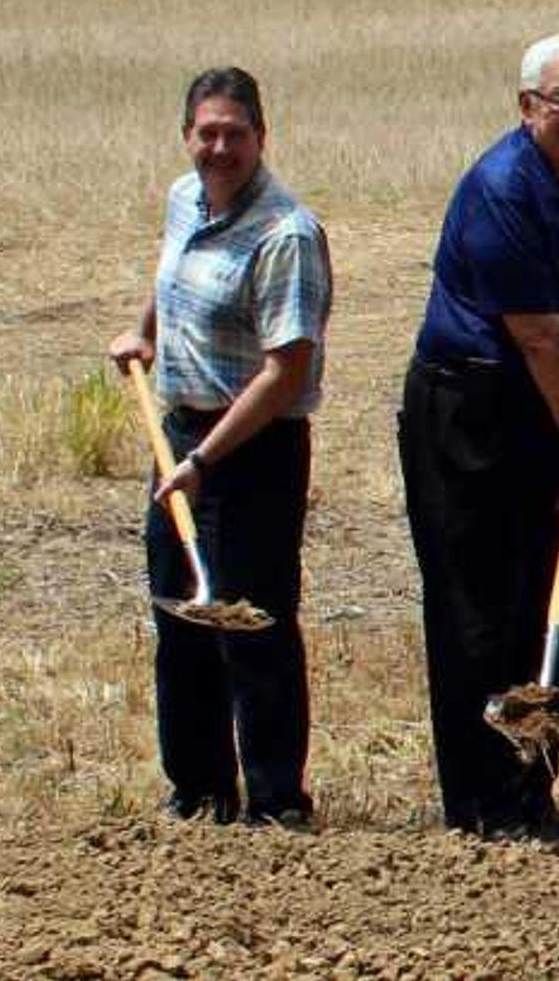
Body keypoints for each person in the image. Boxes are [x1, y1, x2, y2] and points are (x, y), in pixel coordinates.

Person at [402, 33, 559, 841]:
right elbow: (535, 334)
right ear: (526, 104)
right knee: (480, 609)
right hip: (474, 415)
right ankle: (484, 805)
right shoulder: (500, 186)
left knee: (543, 601)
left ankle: (533, 794)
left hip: (547, 406)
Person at [108, 67, 331, 828]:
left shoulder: (286, 234)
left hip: (254, 449)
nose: (220, 147)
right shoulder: (184, 199)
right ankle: (199, 789)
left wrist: (205, 464)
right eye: (207, 132)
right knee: (180, 614)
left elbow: (286, 370)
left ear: (261, 138)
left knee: (250, 621)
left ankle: (276, 800)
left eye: (235, 133)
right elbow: (173, 272)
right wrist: (143, 327)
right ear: (187, 136)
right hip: (182, 434)